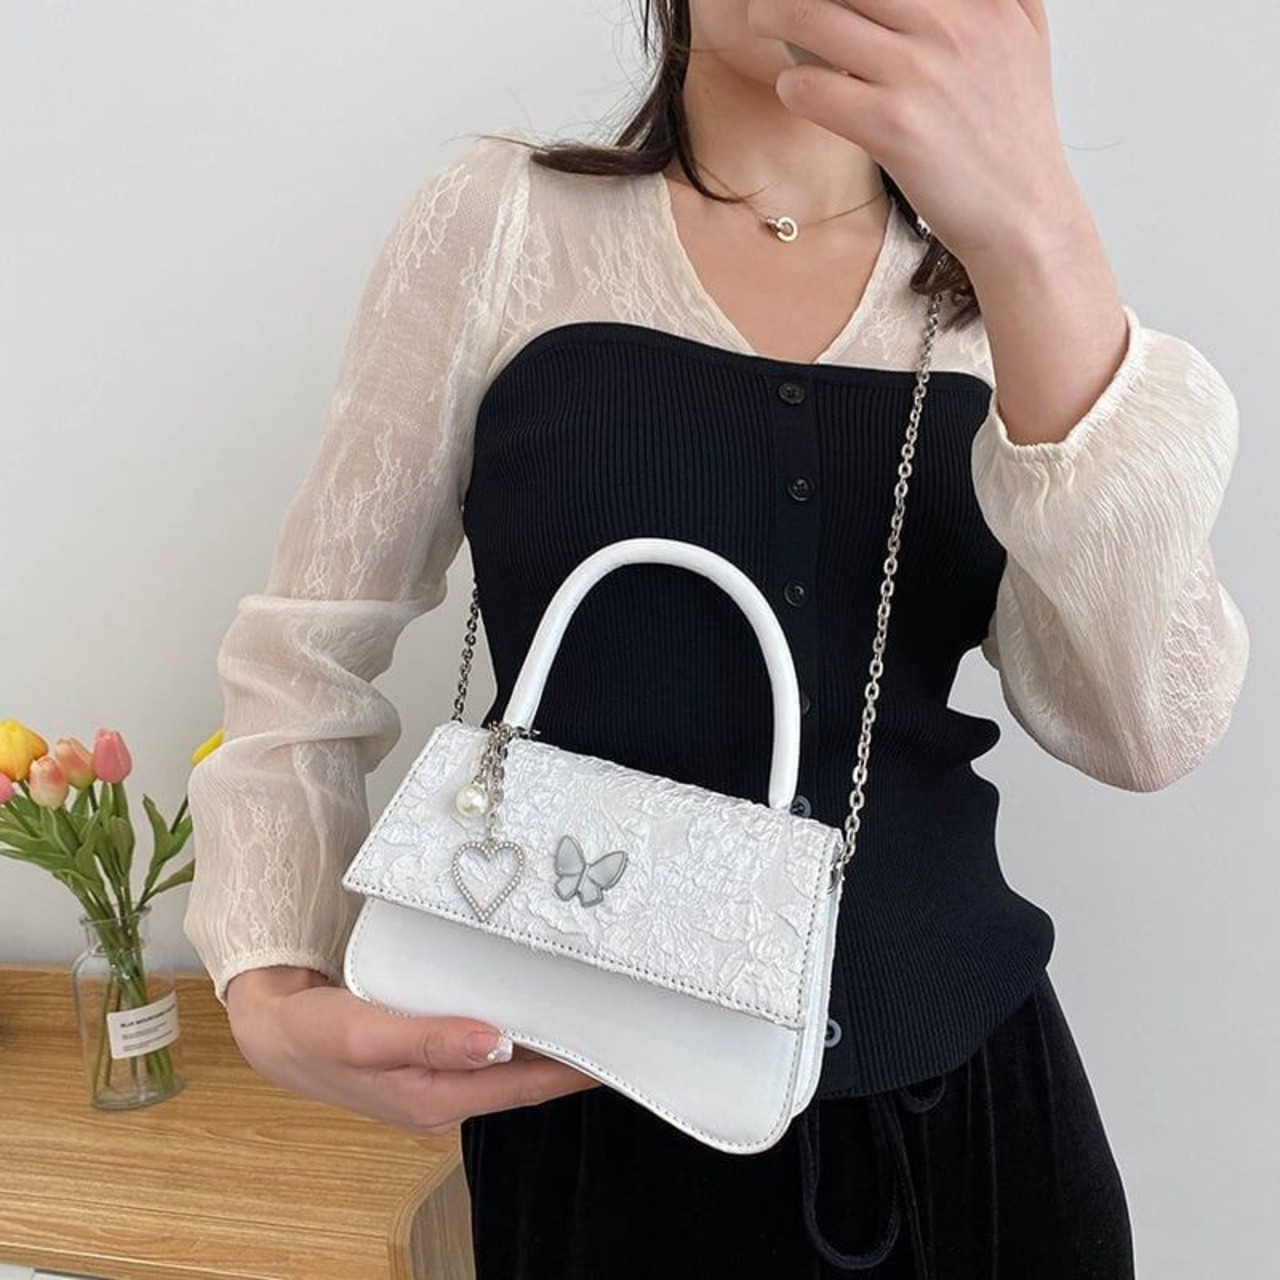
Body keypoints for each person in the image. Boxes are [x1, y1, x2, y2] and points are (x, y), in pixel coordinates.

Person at [183, 3, 1250, 1276]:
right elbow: (303, 658)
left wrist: (1036, 228)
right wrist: (271, 978)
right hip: (591, 1124)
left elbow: (1144, 727)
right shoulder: (505, 225)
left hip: (976, 1121)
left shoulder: (1012, 305)